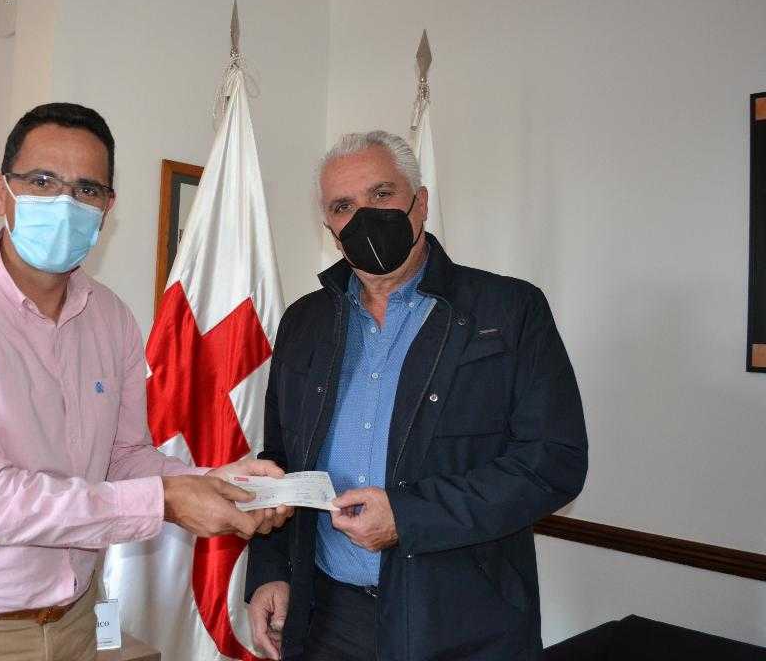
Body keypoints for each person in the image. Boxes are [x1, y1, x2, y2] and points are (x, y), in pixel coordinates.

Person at [0, 103, 288, 661]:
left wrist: (215, 481)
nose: (65, 203)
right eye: (42, 182)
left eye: (87, 189)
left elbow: (123, 457)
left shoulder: (111, 318)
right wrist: (164, 500)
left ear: (108, 207)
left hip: (72, 624)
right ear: (1, 193)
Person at [245, 131, 588, 661]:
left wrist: (408, 517)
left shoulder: (509, 311)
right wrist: (271, 571)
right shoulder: (304, 321)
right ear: (329, 227)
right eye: (343, 206)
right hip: (327, 620)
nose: (363, 217)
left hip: (462, 624)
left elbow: (553, 463)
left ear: (420, 203)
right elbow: (281, 462)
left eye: (381, 194)